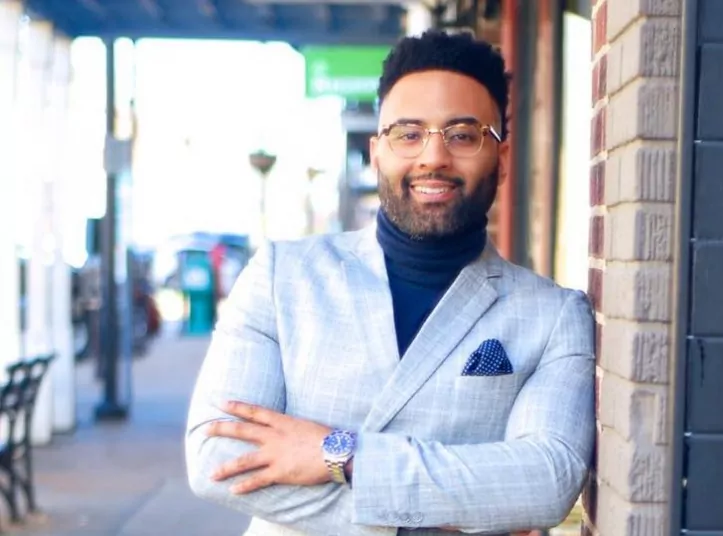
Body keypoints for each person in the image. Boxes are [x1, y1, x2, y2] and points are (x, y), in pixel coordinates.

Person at [186, 29, 595, 536]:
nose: (433, 157)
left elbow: (545, 481)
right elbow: (219, 459)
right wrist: (430, 522)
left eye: (462, 135)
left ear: (503, 159)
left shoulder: (553, 315)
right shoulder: (281, 277)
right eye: (408, 133)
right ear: (377, 151)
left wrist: (341, 454)